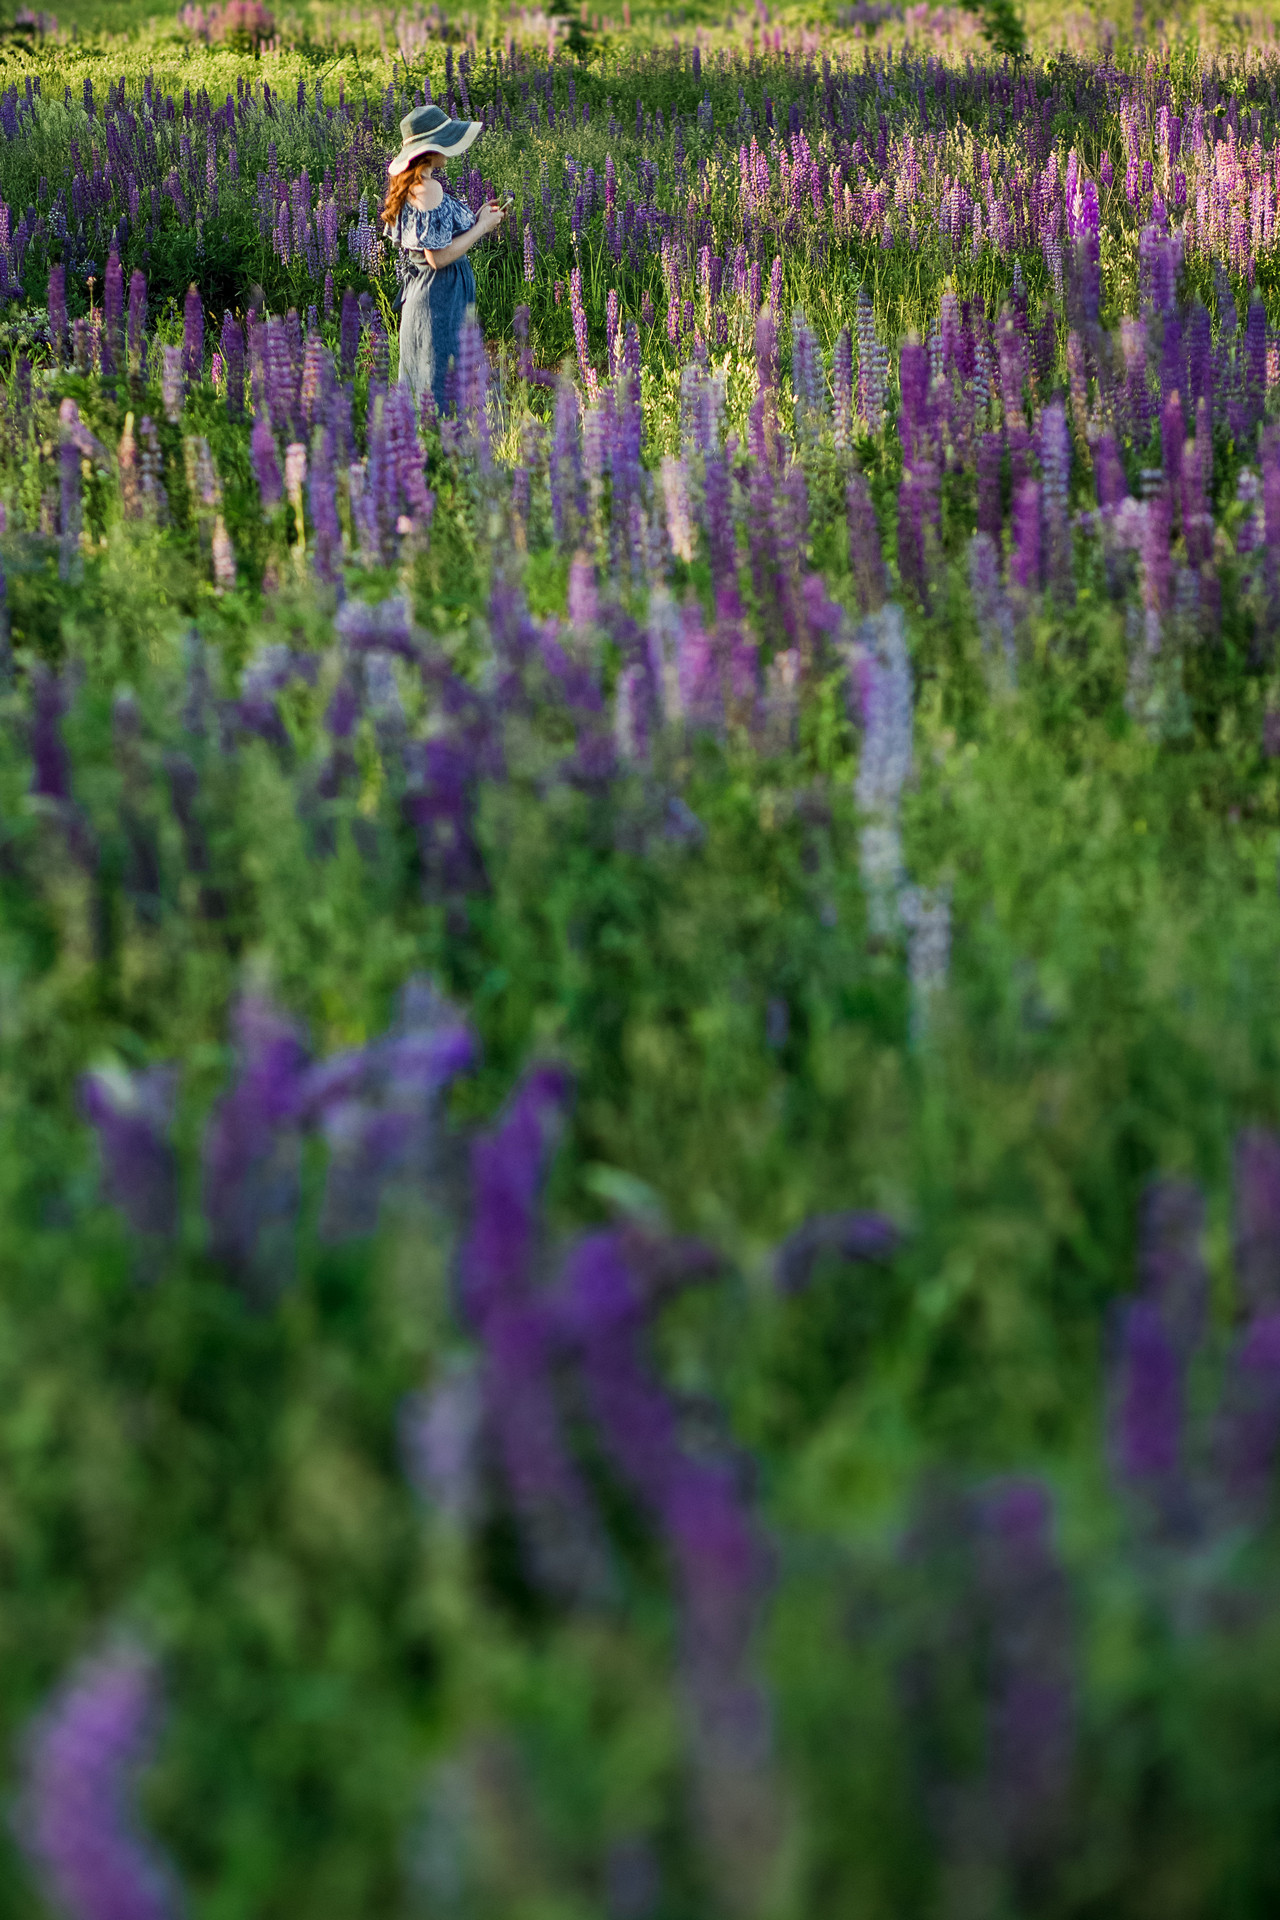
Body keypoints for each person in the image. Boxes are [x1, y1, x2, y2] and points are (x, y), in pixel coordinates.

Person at [381, 103, 506, 415]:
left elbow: (434, 239)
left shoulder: (412, 185)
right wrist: (482, 228)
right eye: (445, 141)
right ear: (429, 150)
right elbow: (437, 257)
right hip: (439, 297)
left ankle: (423, 452)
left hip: (424, 298)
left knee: (423, 379)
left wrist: (475, 218)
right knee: (441, 384)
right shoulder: (430, 189)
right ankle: (444, 454)